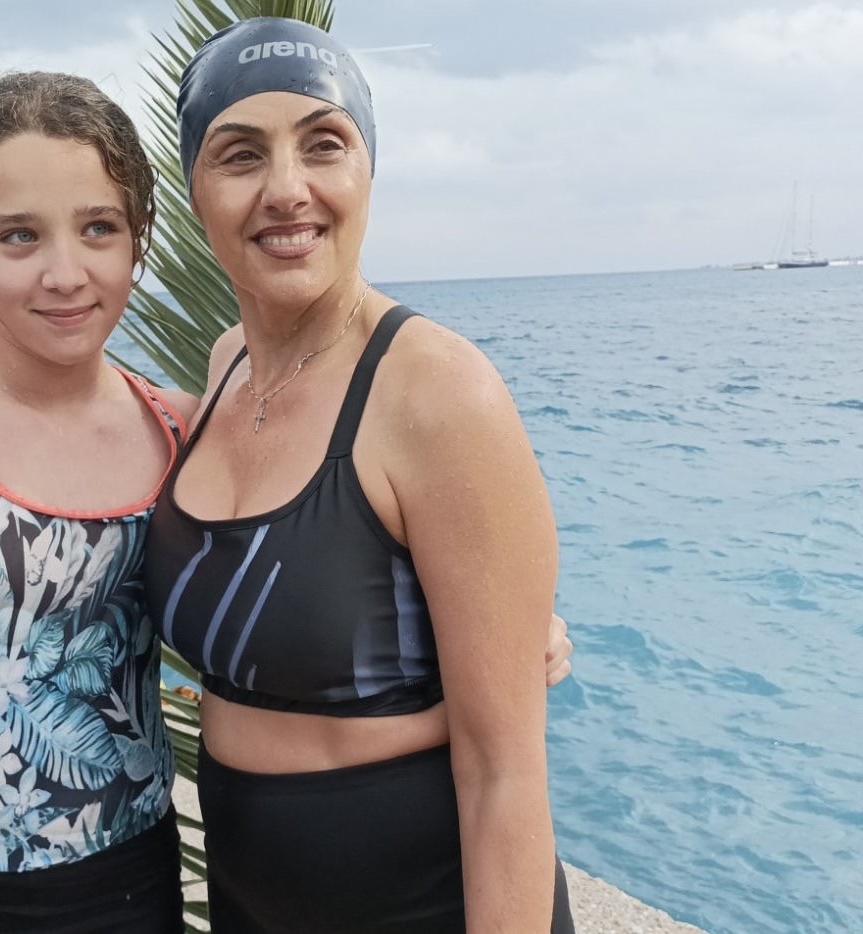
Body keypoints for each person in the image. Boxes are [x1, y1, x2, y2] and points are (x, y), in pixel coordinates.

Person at [0, 71, 575, 933]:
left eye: (99, 228)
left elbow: (314, 551)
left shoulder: (180, 431)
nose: (64, 274)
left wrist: (511, 625)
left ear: (140, 239)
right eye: (18, 236)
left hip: (131, 877)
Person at [144, 17, 576, 932]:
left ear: (368, 170)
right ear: (195, 191)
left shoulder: (438, 392)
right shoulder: (224, 367)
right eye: (239, 155)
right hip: (251, 896)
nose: (286, 190)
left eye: (325, 144)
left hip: (418, 904)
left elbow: (504, 773)